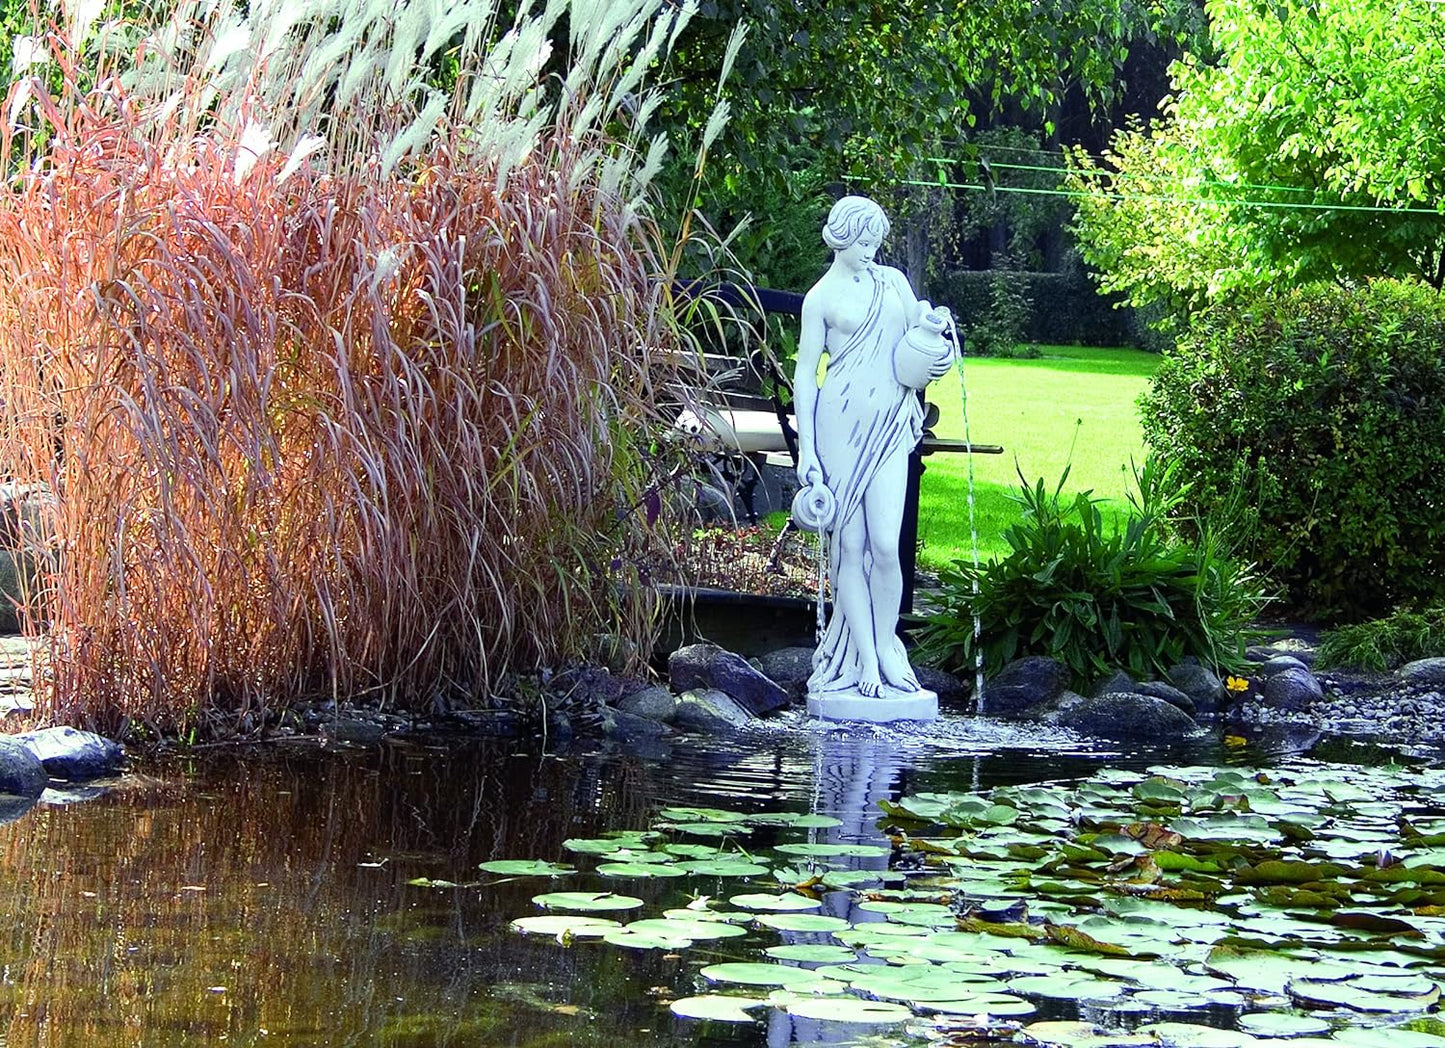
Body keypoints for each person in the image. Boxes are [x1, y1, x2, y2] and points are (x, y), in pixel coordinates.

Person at [793, 195, 954, 701]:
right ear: (841, 238)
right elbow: (805, 375)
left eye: (875, 243)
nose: (870, 251)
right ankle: (863, 656)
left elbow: (917, 336)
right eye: (862, 242)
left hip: (889, 425)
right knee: (850, 547)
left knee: (886, 545)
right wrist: (808, 452)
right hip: (840, 428)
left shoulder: (894, 284)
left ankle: (886, 646)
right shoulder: (819, 299)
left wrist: (936, 337)